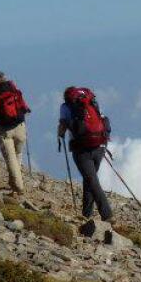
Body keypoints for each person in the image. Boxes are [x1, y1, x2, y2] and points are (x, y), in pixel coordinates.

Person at [58, 87, 113, 222]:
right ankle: (86, 214)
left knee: (91, 180)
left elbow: (63, 125)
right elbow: (102, 119)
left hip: (81, 149)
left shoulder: (66, 107)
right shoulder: (92, 102)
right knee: (89, 179)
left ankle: (107, 214)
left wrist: (60, 134)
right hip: (99, 145)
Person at [0, 72, 30, 195]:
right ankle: (14, 184)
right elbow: (24, 108)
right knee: (18, 154)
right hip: (20, 127)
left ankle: (18, 187)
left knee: (10, 158)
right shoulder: (15, 91)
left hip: (4, 130)